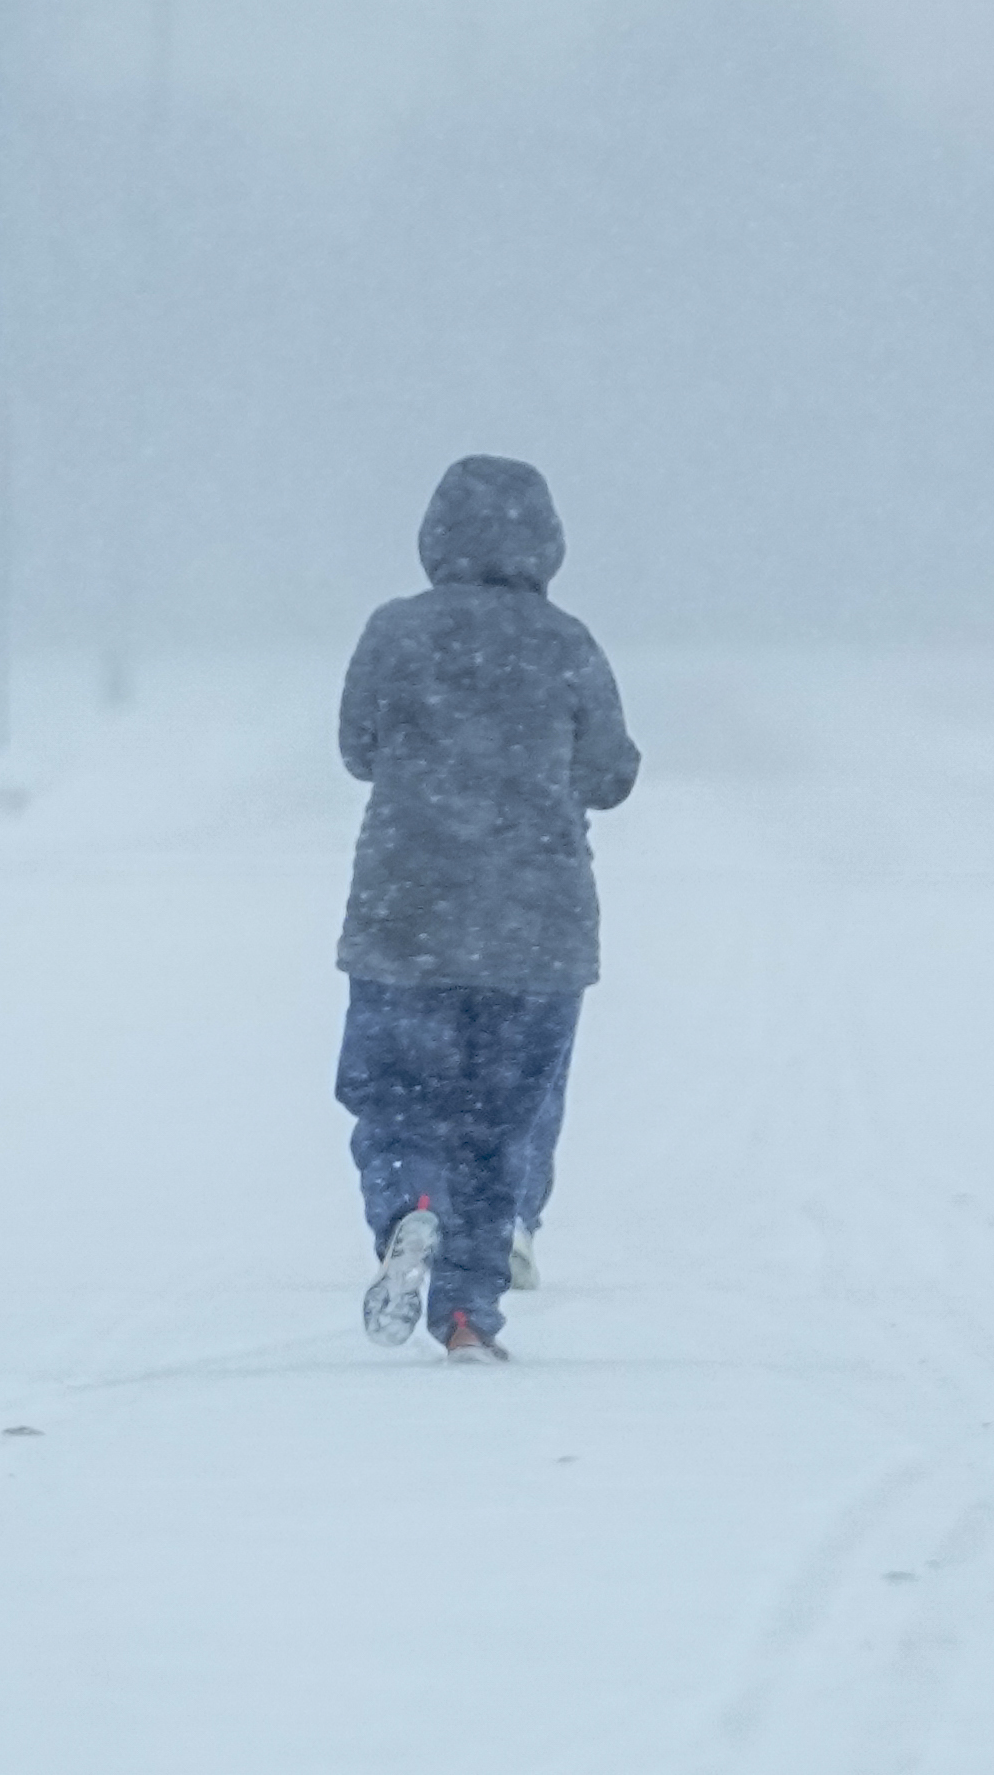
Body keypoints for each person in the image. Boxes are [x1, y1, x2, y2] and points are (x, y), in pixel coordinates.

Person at [333, 454, 638, 1359]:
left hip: (405, 918)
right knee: (497, 1124)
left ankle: (409, 1207)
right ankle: (468, 1313)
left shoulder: (393, 633)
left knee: (396, 1101)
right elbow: (608, 774)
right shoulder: (567, 642)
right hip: (535, 930)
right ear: (546, 542)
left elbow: (358, 749)